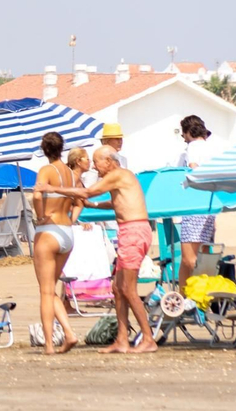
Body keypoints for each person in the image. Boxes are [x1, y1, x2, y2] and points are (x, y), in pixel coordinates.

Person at [39, 146, 156, 354]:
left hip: (134, 231)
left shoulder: (118, 174)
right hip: (131, 231)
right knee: (118, 288)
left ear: (110, 161)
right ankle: (122, 339)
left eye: (97, 161)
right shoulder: (120, 178)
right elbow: (117, 203)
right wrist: (93, 206)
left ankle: (148, 338)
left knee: (128, 289)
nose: (94, 166)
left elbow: (87, 191)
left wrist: (53, 189)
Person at [30, 132, 83, 355]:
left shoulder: (46, 170)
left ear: (44, 150)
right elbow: (80, 200)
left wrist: (41, 215)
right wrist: (71, 218)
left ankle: (49, 344)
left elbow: (36, 195)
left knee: (45, 291)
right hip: (67, 232)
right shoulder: (71, 174)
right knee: (51, 289)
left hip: (48, 231)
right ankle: (69, 333)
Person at [175, 115, 216, 286]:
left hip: (194, 205)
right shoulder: (211, 149)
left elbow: (193, 167)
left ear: (188, 132)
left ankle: (191, 296)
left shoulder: (192, 147)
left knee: (189, 258)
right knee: (204, 255)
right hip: (210, 206)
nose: (183, 138)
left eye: (183, 134)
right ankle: (194, 296)